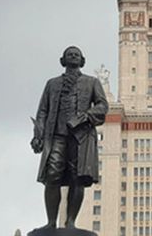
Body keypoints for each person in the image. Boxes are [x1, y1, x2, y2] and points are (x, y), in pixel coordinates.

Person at [31, 46, 109, 230]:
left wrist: (85, 117)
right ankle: (51, 222)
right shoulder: (52, 84)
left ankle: (71, 222)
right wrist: (38, 135)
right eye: (69, 54)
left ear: (82, 60)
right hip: (56, 136)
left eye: (76, 54)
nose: (73, 56)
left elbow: (102, 106)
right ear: (63, 60)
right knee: (52, 176)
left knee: (77, 177)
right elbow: (42, 111)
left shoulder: (92, 82)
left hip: (80, 137)